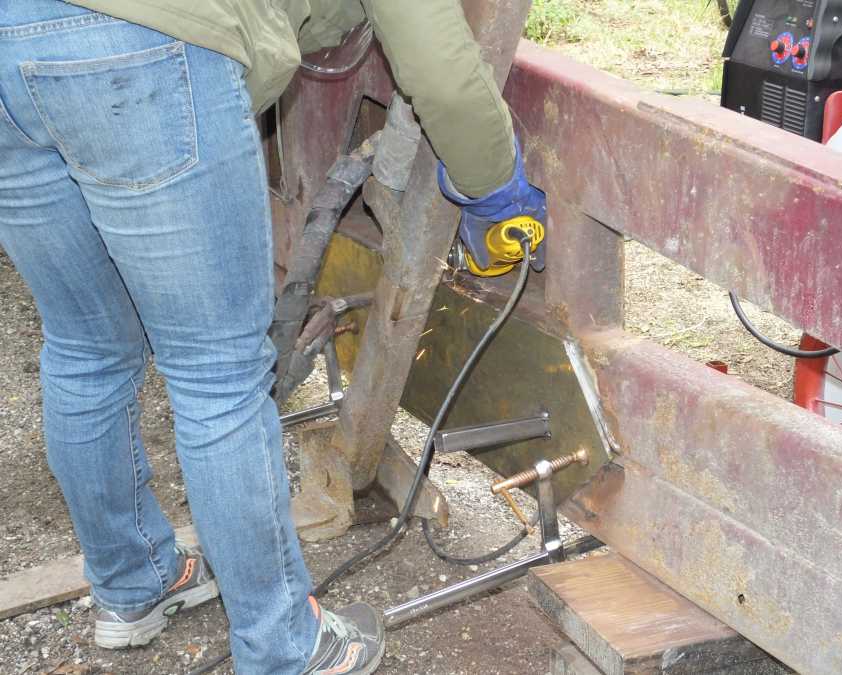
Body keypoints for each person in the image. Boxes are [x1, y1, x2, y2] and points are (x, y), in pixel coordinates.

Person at [0, 1, 546, 673]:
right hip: (143, 45)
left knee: (86, 348)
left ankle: (134, 584)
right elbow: (442, 65)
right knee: (218, 376)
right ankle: (283, 644)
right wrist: (493, 182)